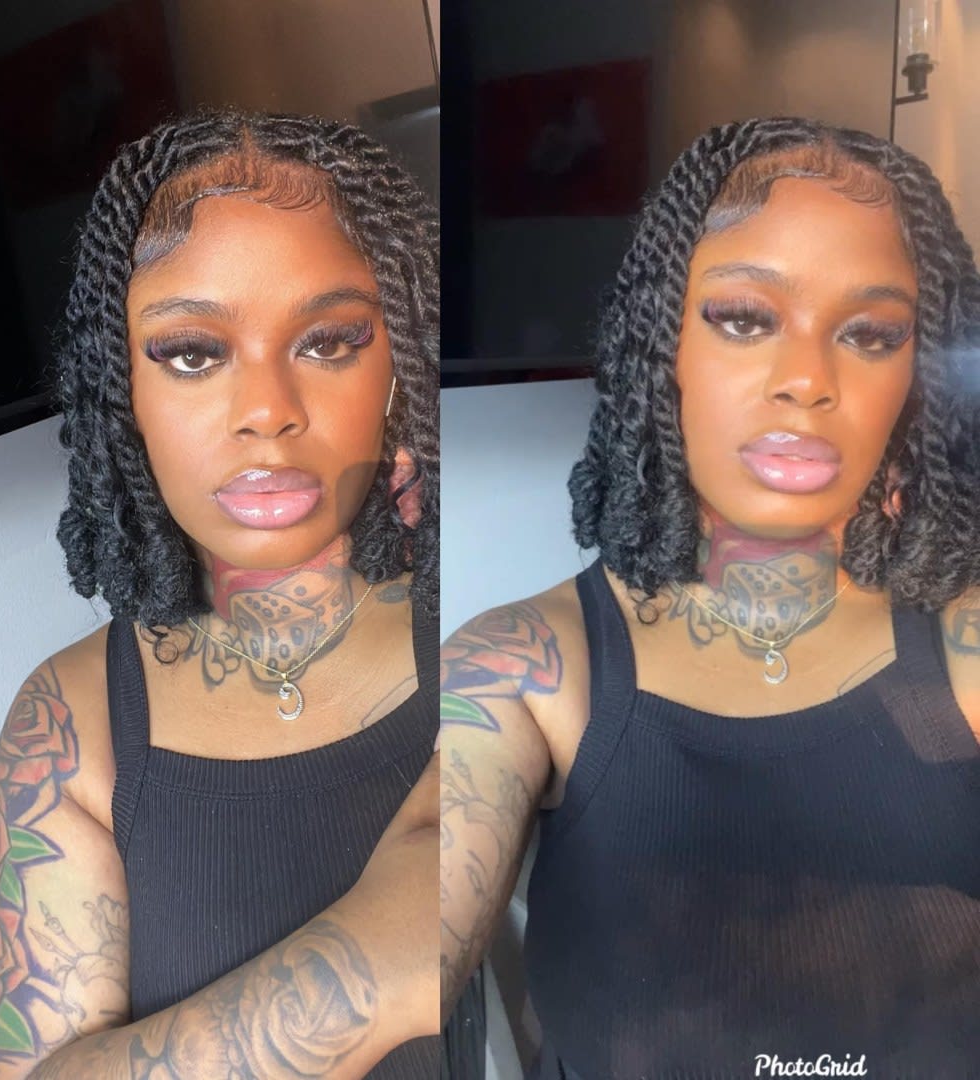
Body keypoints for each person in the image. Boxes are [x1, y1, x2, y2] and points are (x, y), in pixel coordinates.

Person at [440, 116, 980, 1078]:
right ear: (662, 348)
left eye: (870, 334)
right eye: (744, 318)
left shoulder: (964, 638)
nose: (807, 381)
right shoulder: (522, 668)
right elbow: (396, 945)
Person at [0, 109, 440, 1079]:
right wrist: (370, 969)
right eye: (192, 352)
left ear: (398, 363)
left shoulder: (509, 636)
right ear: (122, 396)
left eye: (328, 341)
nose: (267, 410)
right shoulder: (73, 724)